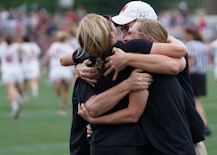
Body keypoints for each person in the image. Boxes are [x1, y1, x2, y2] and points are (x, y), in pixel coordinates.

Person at [79, 18, 206, 155]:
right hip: (155, 145)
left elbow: (176, 64)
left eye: (129, 30)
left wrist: (97, 121)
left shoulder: (139, 56)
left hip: (178, 144)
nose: (125, 37)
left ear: (146, 38)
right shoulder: (104, 60)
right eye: (122, 30)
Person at [0, 34, 23, 119]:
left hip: (7, 70)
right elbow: (23, 51)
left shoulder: (0, 47)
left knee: (10, 89)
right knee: (16, 86)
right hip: (17, 69)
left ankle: (15, 107)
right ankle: (17, 94)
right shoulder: (16, 45)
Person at [183, 27, 211, 136]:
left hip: (193, 75)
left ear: (190, 34)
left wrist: (186, 74)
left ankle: (204, 125)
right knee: (197, 101)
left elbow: (191, 59)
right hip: (202, 74)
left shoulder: (190, 44)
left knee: (195, 102)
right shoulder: (202, 45)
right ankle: (203, 124)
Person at [41, 30, 75, 116]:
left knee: (59, 91)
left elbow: (47, 56)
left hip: (56, 69)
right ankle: (63, 107)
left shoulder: (54, 46)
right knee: (65, 90)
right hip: (65, 69)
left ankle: (62, 106)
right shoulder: (69, 47)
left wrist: (42, 65)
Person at [20, 35, 41, 101]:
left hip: (25, 64)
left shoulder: (22, 45)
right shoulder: (34, 45)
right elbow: (38, 52)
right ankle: (35, 92)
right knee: (34, 79)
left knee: (25, 81)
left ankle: (26, 95)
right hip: (34, 64)